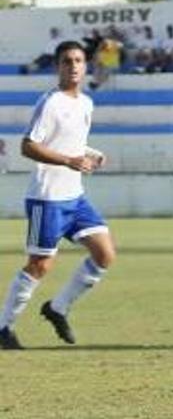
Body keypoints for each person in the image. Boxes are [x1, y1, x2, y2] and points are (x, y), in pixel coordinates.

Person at [0, 41, 117, 350]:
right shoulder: (50, 102)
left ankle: (57, 308)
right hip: (47, 197)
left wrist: (90, 154)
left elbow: (70, 142)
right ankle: (3, 327)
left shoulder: (87, 103)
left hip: (74, 196)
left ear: (86, 65)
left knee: (104, 253)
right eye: (67, 61)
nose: (74, 66)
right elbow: (28, 145)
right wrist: (69, 161)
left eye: (79, 60)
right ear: (58, 67)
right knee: (40, 265)